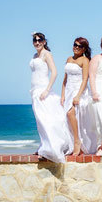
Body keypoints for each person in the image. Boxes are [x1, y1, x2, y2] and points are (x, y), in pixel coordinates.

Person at [29, 32, 71, 163]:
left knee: (46, 119)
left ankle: (51, 149)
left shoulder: (47, 54)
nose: (37, 42)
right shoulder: (35, 55)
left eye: (39, 40)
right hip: (35, 90)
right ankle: (44, 146)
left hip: (43, 90)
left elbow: (55, 72)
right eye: (35, 40)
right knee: (40, 120)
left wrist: (47, 90)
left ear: (44, 41)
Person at [60, 37, 102, 155]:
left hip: (79, 90)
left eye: (80, 46)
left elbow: (85, 79)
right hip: (68, 90)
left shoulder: (85, 60)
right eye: (75, 45)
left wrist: (78, 95)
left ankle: (77, 141)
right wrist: (62, 95)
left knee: (70, 113)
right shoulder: (69, 59)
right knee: (66, 117)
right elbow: (65, 79)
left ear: (84, 49)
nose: (76, 48)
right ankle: (70, 142)